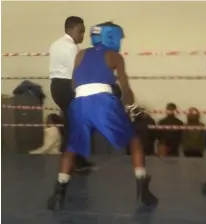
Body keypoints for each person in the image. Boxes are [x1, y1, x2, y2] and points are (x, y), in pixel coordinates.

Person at [47, 22, 158, 210]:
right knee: (135, 141)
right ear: (112, 37)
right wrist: (132, 107)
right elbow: (126, 90)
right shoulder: (114, 56)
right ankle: (142, 186)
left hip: (79, 102)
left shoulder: (81, 54)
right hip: (103, 102)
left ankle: (59, 192)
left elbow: (74, 86)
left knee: (71, 148)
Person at [49, 16, 95, 172]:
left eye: (83, 32)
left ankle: (76, 160)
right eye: (80, 31)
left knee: (73, 123)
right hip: (67, 86)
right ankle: (73, 161)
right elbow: (78, 71)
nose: (82, 35)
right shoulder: (71, 47)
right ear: (69, 29)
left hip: (56, 86)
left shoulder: (56, 44)